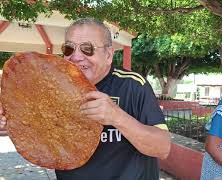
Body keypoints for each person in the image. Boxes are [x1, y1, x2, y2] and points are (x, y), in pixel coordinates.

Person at [0, 18, 171, 180]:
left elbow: (162, 148)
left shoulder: (132, 85)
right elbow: (40, 132)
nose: (76, 56)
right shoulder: (51, 85)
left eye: (87, 48)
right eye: (69, 48)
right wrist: (12, 122)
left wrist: (117, 116)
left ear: (108, 55)